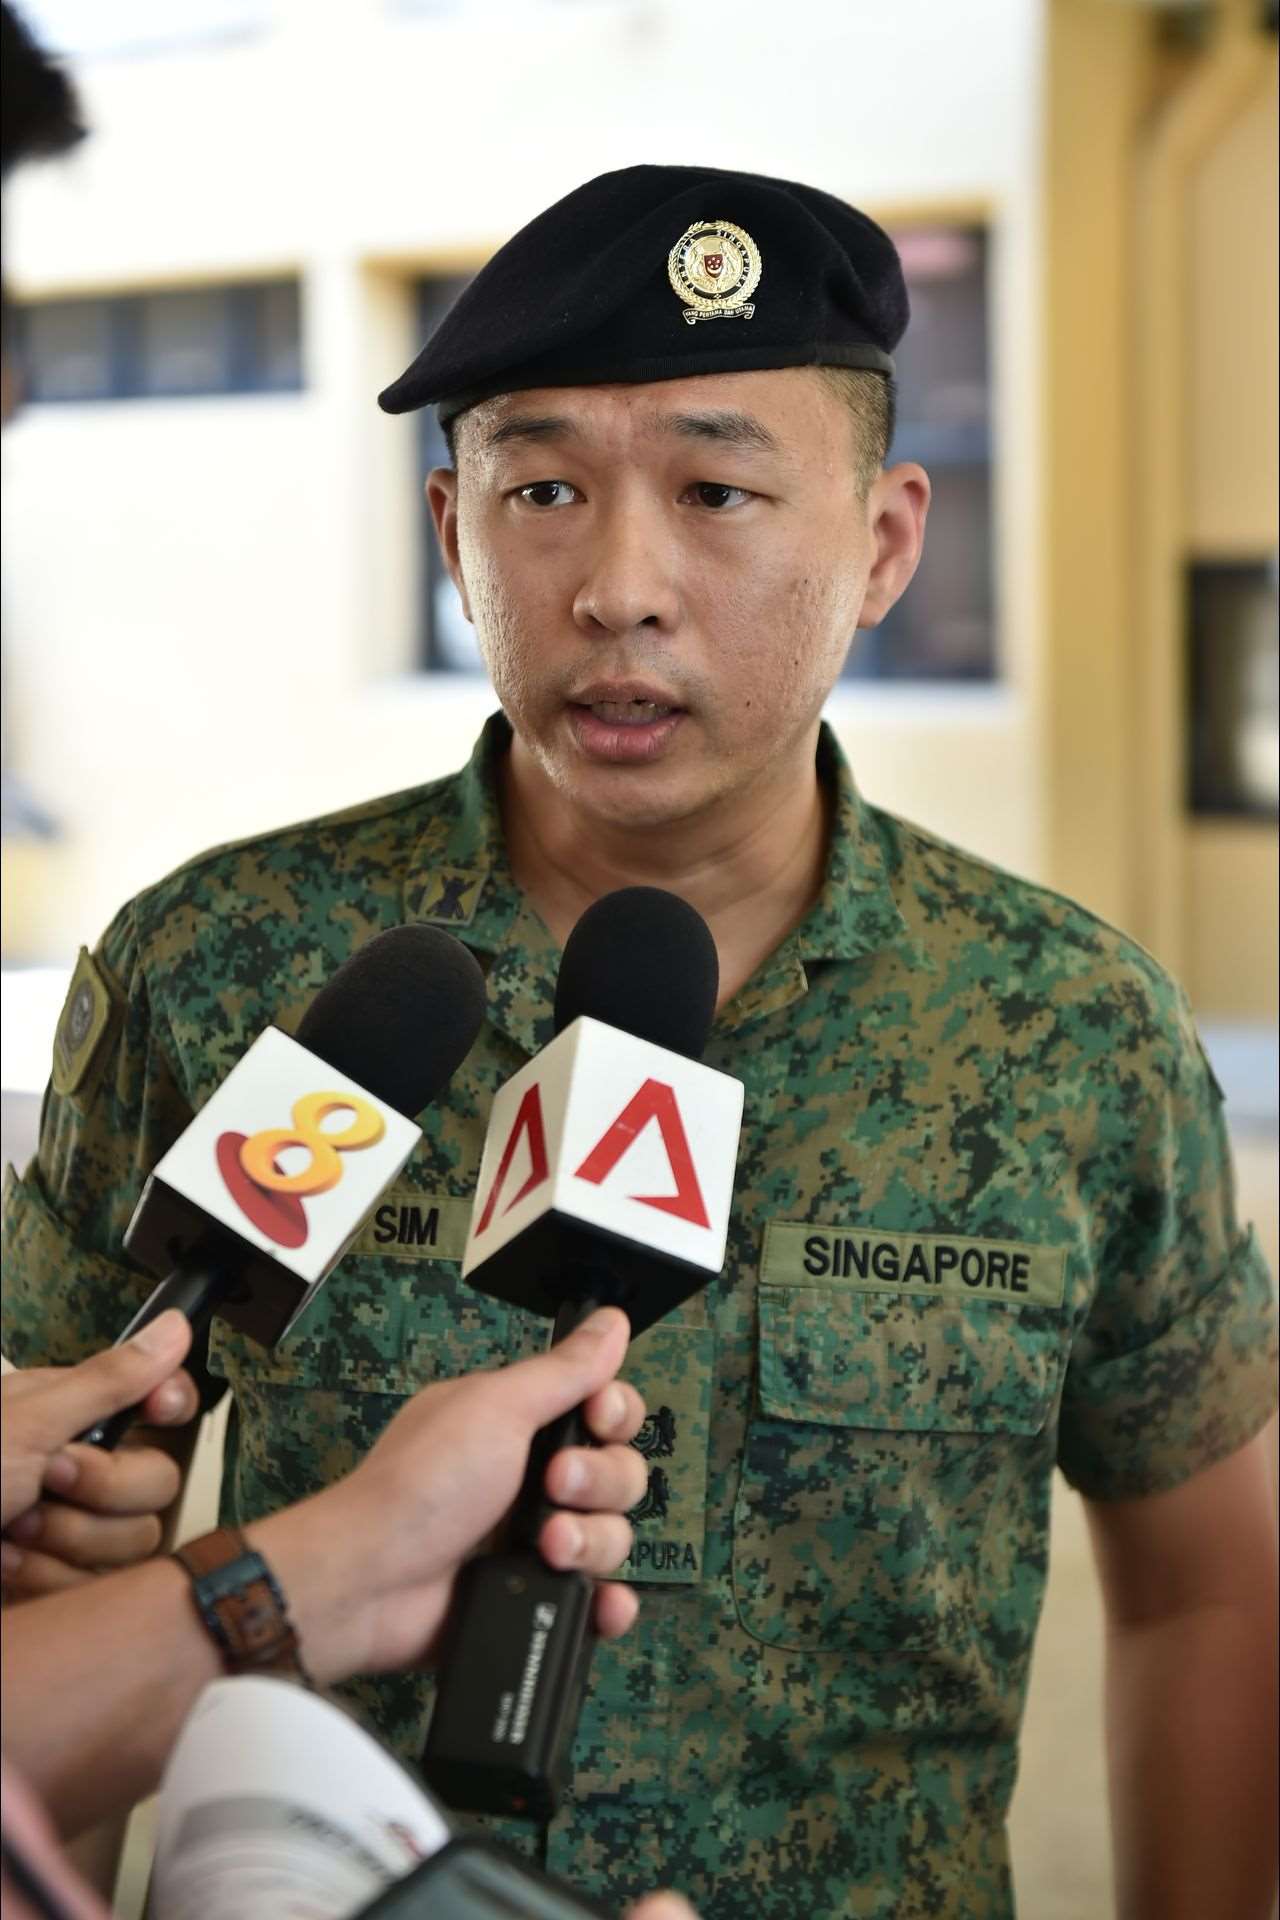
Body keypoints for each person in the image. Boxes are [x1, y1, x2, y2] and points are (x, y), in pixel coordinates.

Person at [3, 163, 1276, 1920]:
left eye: (716, 490)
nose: (620, 587)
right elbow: (56, 1550)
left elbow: (1210, 1586)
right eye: (541, 490)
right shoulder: (227, 968)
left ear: (886, 543)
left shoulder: (1073, 1028)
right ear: (452, 534)